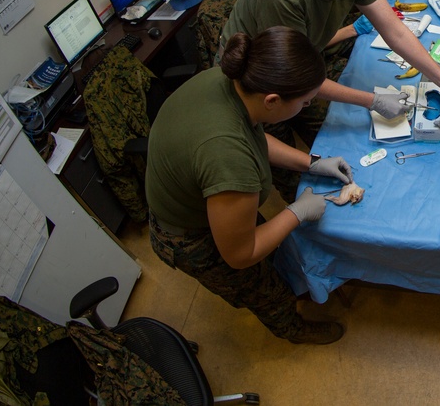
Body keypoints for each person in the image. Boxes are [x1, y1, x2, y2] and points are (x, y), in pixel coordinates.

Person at [219, 0, 440, 201]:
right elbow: (296, 77)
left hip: (302, 62)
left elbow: (395, 30)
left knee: (333, 141)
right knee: (283, 169)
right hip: (258, 79)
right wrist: (372, 101)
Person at [146, 27, 350, 344]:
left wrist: (309, 162)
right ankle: (291, 328)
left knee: (272, 255)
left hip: (200, 192)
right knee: (263, 289)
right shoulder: (229, 159)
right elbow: (240, 254)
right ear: (272, 100)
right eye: (305, 102)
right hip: (189, 236)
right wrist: (297, 212)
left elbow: (251, 138)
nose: (306, 107)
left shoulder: (230, 82)